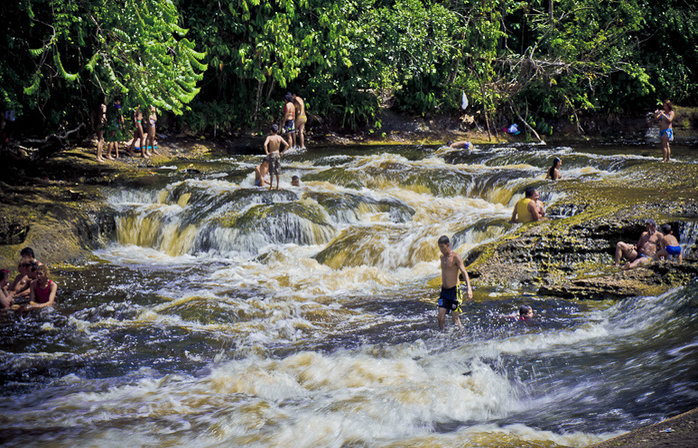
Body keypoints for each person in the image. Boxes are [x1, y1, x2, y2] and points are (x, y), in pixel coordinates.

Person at [436, 235, 473, 331]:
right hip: (444, 291)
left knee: (455, 318)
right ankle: (442, 335)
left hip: (454, 291)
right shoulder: (442, 258)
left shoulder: (455, 257)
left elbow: (464, 272)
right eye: (440, 248)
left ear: (448, 245)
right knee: (440, 317)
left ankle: (461, 335)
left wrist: (469, 289)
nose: (441, 250)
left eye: (443, 247)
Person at [264, 124, 290, 190]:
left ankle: (271, 186)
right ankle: (278, 186)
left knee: (271, 171)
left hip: (272, 154)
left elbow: (265, 145)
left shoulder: (269, 137)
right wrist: (282, 152)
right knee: (277, 170)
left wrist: (267, 152)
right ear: (277, 131)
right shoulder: (279, 137)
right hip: (278, 154)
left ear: (271, 131)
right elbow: (287, 145)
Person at [96, 98, 107, 162]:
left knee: (101, 139)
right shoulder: (103, 106)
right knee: (101, 139)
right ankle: (98, 156)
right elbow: (104, 115)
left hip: (98, 123)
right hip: (101, 123)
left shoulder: (99, 106)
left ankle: (100, 155)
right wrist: (106, 121)